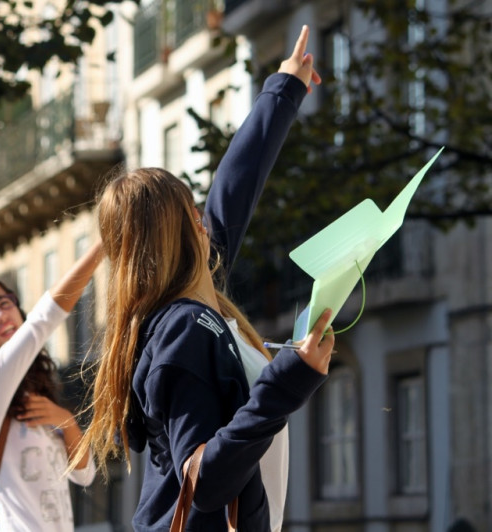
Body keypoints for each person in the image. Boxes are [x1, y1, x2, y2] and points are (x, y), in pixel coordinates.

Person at [73, 25, 334, 531]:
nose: (204, 219)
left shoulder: (188, 304)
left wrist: (284, 89)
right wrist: (288, 379)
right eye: (191, 212)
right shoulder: (184, 330)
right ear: (176, 231)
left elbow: (234, 189)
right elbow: (207, 479)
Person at [0, 241, 102, 531]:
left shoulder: (32, 391)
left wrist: (66, 421)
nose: (1, 314)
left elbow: (85, 475)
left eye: (4, 302)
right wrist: (102, 246)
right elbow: (43, 320)